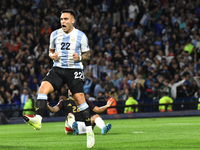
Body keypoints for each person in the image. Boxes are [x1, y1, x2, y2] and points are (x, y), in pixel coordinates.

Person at [23, 9, 94, 148]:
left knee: (80, 99)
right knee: (43, 88)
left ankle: (89, 131)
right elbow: (50, 51)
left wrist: (79, 57)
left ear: (72, 20)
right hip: (58, 68)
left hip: (74, 69)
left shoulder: (81, 36)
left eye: (66, 19)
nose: (63, 21)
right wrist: (51, 56)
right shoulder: (54, 34)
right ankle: (38, 119)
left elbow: (88, 55)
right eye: (61, 19)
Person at [47, 90, 113, 135]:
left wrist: (106, 106)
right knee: (70, 115)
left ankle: (103, 128)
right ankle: (74, 126)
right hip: (70, 128)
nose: (69, 90)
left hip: (84, 126)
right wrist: (48, 107)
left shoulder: (85, 101)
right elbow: (54, 109)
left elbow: (97, 109)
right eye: (69, 89)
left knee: (96, 116)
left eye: (71, 88)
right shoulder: (64, 101)